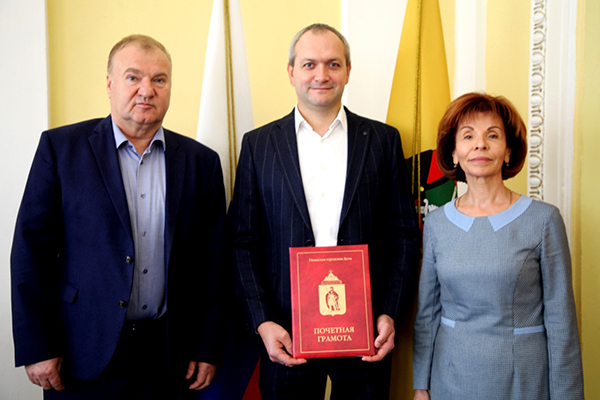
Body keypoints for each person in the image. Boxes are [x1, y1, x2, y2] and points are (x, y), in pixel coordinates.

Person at [11, 34, 226, 399]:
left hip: (168, 355)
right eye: (133, 77)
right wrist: (37, 346)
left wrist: (207, 346)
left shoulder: (201, 162)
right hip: (81, 351)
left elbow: (212, 263)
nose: (147, 90)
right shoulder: (60, 150)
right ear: (109, 84)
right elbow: (30, 253)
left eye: (159, 79)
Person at [228, 23, 420, 399]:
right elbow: (242, 242)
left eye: (333, 64)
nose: (321, 75)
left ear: (348, 71)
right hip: (285, 334)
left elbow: (404, 235)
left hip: (366, 332)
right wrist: (262, 321)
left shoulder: (382, 141)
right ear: (291, 72)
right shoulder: (258, 145)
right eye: (309, 64)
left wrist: (390, 313)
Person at [412, 92, 584, 400]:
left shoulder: (544, 220)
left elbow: (562, 323)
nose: (480, 144)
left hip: (524, 381)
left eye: (492, 135)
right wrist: (421, 386)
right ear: (453, 153)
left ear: (508, 152)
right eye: (468, 136)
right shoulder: (437, 224)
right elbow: (427, 314)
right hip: (450, 380)